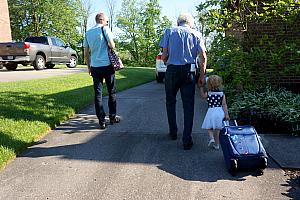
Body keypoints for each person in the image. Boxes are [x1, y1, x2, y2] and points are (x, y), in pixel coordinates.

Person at [159, 13, 207, 150]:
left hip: (172, 71)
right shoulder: (196, 34)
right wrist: (202, 76)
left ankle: (173, 132)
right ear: (190, 23)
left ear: (178, 22)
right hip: (188, 72)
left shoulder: (169, 31)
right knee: (188, 105)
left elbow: (164, 55)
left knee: (170, 102)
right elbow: (203, 56)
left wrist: (167, 61)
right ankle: (187, 140)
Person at [83, 13, 120, 129]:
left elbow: (85, 53)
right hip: (107, 66)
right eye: (107, 21)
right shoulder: (105, 29)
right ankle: (112, 117)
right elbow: (112, 45)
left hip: (95, 67)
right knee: (111, 92)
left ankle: (102, 121)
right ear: (102, 20)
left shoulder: (88, 33)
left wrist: (89, 67)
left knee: (98, 94)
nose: (107, 23)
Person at [199, 75, 230, 150]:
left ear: (208, 84)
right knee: (218, 129)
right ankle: (217, 144)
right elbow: (224, 105)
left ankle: (211, 138)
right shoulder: (222, 94)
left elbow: (203, 96)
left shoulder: (209, 93)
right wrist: (226, 114)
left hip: (211, 111)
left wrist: (201, 88)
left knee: (209, 127)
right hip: (219, 111)